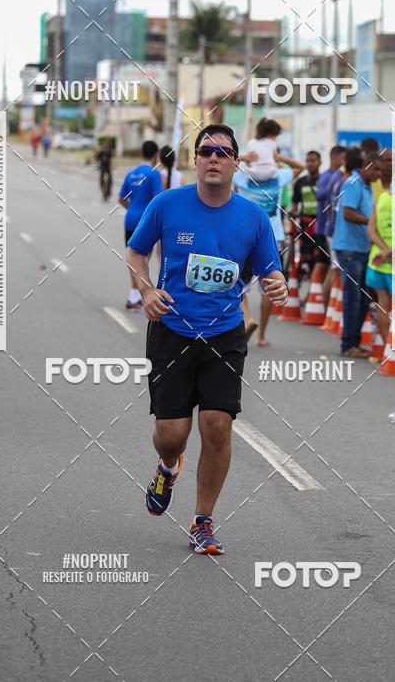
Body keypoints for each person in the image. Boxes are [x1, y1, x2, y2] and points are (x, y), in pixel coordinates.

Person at [126, 124, 287, 555]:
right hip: (172, 331)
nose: (213, 158)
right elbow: (136, 250)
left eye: (223, 152)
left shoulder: (253, 217)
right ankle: (167, 465)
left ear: (236, 163)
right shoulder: (166, 204)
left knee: (217, 426)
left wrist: (278, 285)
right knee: (172, 435)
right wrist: (146, 290)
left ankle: (203, 520)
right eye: (205, 151)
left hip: (224, 334)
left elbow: (270, 269)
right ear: (196, 161)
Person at [234, 158, 302, 346]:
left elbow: (231, 164)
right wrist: (277, 158)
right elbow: (299, 167)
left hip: (244, 236)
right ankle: (262, 336)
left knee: (237, 283)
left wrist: (247, 157)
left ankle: (248, 319)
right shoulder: (279, 176)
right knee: (269, 288)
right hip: (274, 237)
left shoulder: (242, 177)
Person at [332, 151, 381, 357]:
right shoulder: (353, 184)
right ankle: (348, 345)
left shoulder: (367, 187)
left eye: (382, 171)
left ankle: (354, 342)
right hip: (349, 249)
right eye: (376, 169)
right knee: (353, 298)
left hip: (361, 249)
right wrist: (372, 223)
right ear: (365, 165)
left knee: (362, 298)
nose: (378, 174)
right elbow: (348, 213)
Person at [119, 141, 163, 309]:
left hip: (130, 219)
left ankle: (134, 295)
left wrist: (131, 209)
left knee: (133, 260)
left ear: (141, 153)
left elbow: (121, 198)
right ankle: (135, 296)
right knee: (142, 261)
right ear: (156, 154)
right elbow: (158, 199)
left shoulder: (131, 173)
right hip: (145, 222)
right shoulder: (153, 174)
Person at [366, 150, 393, 349]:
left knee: (383, 305)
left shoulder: (381, 199)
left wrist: (383, 250)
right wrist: (390, 251)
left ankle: (387, 349)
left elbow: (370, 230)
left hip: (377, 261)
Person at [315, 145, 346, 306]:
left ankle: (323, 303)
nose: (344, 161)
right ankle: (323, 304)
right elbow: (320, 195)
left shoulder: (338, 176)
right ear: (335, 158)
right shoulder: (329, 176)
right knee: (327, 266)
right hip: (323, 226)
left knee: (329, 266)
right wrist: (330, 191)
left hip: (328, 227)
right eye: (342, 158)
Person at [291, 150, 321, 283]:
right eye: (307, 161)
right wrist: (293, 213)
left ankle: (317, 287)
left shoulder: (325, 180)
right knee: (307, 257)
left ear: (320, 162)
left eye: (313, 160)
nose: (310, 164)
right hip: (305, 225)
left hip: (321, 226)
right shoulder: (300, 182)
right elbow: (294, 203)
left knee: (320, 258)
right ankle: (312, 288)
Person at [242, 117, 303, 182]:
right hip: (270, 173)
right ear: (270, 135)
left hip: (253, 173)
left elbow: (247, 161)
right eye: (275, 136)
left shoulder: (251, 142)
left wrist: (248, 163)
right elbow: (275, 157)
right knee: (276, 168)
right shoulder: (272, 143)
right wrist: (278, 159)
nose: (275, 139)